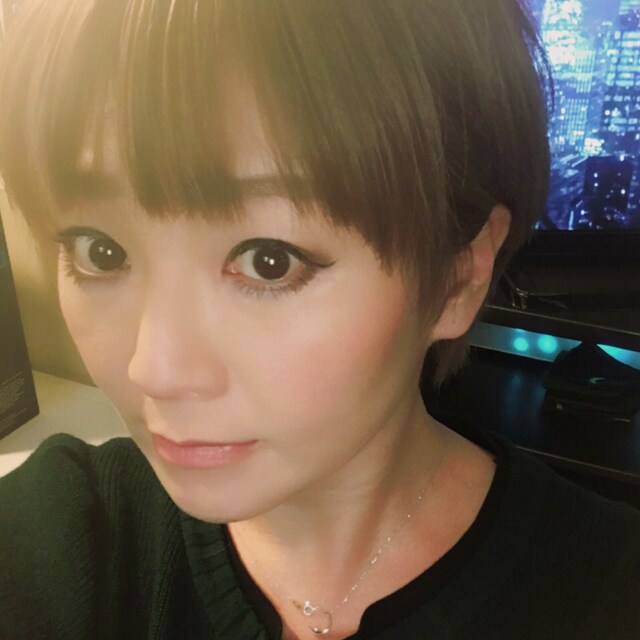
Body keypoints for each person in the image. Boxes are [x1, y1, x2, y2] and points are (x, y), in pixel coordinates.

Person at [0, 1, 638, 638]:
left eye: (269, 261)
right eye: (99, 251)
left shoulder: (609, 590)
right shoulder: (64, 531)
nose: (154, 370)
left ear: (455, 278)